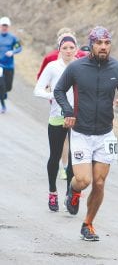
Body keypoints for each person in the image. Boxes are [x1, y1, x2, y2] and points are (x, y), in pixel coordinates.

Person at [54, 26, 118, 241]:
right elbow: (59, 90)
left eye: (107, 43)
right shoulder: (77, 68)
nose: (103, 47)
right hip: (81, 133)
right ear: (91, 44)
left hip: (105, 135)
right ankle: (74, 191)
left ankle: (88, 224)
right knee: (83, 180)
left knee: (99, 183)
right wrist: (68, 111)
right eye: (99, 43)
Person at [34, 33, 78, 212]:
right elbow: (37, 90)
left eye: (71, 47)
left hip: (77, 118)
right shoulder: (53, 67)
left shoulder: (81, 66)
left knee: (76, 158)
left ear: (76, 49)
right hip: (57, 116)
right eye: (65, 48)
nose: (68, 51)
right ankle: (53, 192)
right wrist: (53, 95)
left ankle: (70, 195)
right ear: (59, 50)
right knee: (55, 155)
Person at [0, 16, 22, 112]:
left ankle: (4, 93)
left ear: (8, 27)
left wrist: (13, 52)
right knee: (1, 85)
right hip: (0, 65)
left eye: (6, 26)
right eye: (3, 25)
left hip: (9, 66)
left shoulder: (13, 38)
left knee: (8, 87)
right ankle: (3, 106)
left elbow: (19, 48)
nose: (4, 27)